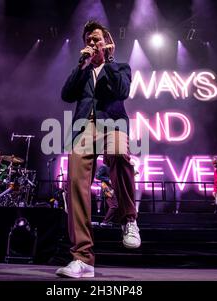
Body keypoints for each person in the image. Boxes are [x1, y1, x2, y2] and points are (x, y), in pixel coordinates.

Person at [56, 20, 140, 278]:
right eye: (89, 40)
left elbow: (123, 91)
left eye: (97, 39)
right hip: (83, 128)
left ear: (107, 42)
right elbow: (67, 95)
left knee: (117, 153)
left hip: (112, 123)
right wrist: (80, 66)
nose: (92, 43)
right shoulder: (82, 70)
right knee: (76, 185)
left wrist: (109, 60)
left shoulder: (120, 67)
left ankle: (129, 219)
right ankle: (83, 259)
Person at [95, 162, 118, 226]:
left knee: (114, 205)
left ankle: (107, 221)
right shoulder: (104, 166)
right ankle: (105, 222)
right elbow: (97, 176)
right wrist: (108, 180)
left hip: (111, 188)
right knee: (114, 205)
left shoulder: (113, 166)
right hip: (107, 188)